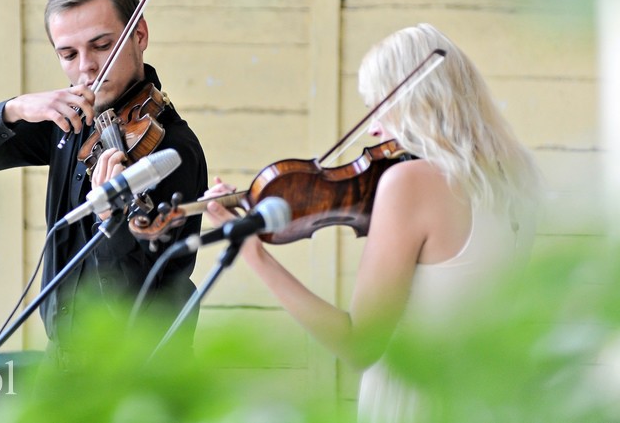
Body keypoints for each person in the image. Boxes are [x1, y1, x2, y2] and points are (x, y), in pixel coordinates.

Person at [203, 23, 540, 421]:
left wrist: (254, 253)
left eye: (380, 104)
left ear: (419, 99)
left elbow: (359, 346)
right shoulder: (519, 173)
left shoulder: (409, 182)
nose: (373, 126)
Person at [0, 0, 208, 363]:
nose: (86, 68)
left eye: (101, 46)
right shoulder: (71, 122)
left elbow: (134, 312)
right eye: (68, 54)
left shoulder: (173, 150)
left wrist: (112, 221)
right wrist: (13, 110)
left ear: (139, 36)